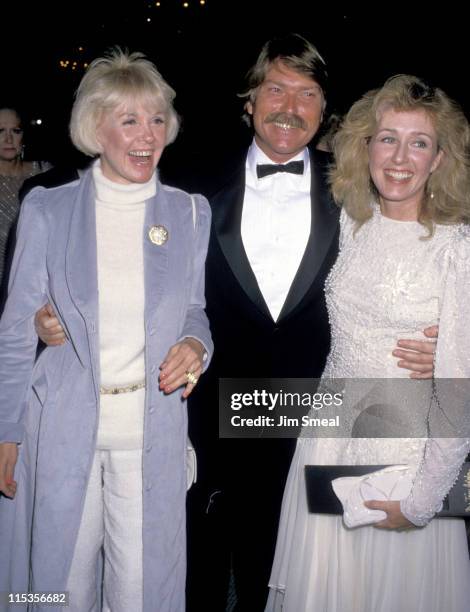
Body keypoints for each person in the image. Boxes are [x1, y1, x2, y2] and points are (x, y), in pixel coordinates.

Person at [34, 35, 437, 610]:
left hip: (314, 413)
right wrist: (49, 307)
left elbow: (422, 257)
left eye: (307, 93)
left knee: (288, 572)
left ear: (325, 111)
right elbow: (95, 209)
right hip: (200, 408)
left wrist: (442, 338)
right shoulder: (188, 180)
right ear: (249, 99)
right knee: (189, 569)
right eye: (275, 88)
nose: (289, 107)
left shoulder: (359, 188)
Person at [0, 49, 212, 612]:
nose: (148, 136)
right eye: (129, 120)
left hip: (150, 433)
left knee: (141, 593)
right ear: (96, 127)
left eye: (158, 119)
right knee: (56, 589)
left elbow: (195, 311)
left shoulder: (190, 213)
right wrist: (5, 432)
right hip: (63, 431)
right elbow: (16, 333)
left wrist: (196, 345)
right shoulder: (49, 209)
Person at [267, 75, 470, 612]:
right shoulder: (351, 225)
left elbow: (458, 393)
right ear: (364, 146)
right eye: (387, 138)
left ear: (440, 159)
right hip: (326, 435)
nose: (400, 156)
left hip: (403, 460)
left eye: (419, 142)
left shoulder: (456, 249)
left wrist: (424, 501)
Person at [0, 106, 51, 289]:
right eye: (1, 131)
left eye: (15, 130)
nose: (8, 139)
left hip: (34, 279)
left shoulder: (44, 173)